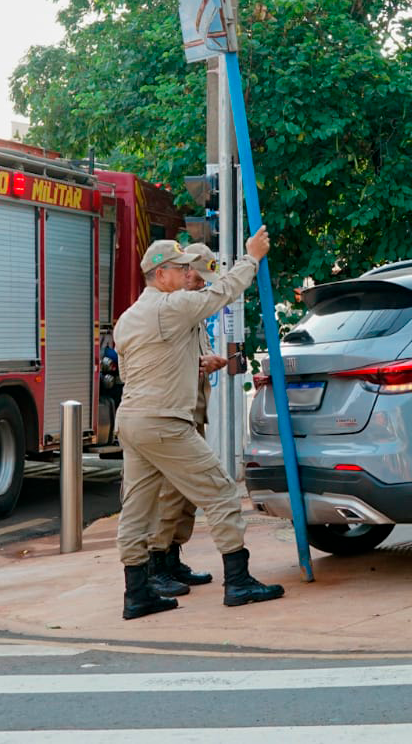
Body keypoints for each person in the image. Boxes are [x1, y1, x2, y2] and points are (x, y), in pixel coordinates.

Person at [113, 229, 284, 619]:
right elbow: (220, 293)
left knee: (137, 510)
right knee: (222, 492)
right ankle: (238, 582)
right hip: (164, 422)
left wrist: (195, 364)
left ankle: (136, 594)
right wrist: (251, 258)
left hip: (133, 420)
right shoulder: (169, 307)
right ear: (161, 275)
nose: (186, 272)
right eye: (179, 268)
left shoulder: (128, 319)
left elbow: (137, 370)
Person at [141, 242, 226, 597]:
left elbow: (196, 354)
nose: (202, 284)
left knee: (185, 495)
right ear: (181, 271)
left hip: (193, 409)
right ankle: (155, 563)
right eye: (197, 276)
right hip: (171, 413)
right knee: (169, 492)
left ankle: (172, 557)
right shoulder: (163, 310)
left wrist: (210, 361)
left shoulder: (189, 313)